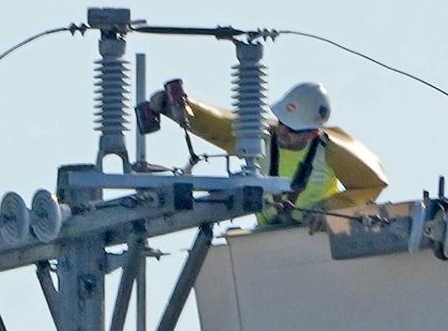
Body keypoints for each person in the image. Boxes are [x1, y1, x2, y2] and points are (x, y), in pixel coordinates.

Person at [149, 82, 388, 225]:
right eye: (282, 122)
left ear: (312, 133)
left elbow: (371, 182)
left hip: (314, 234)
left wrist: (327, 210)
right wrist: (179, 109)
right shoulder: (260, 137)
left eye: (292, 129)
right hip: (268, 234)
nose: (283, 131)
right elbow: (218, 124)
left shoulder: (331, 150)